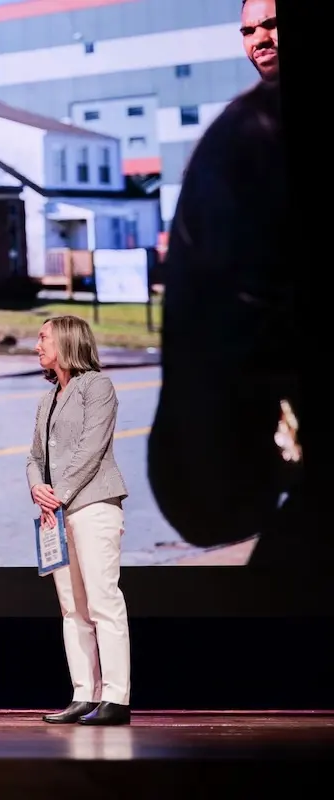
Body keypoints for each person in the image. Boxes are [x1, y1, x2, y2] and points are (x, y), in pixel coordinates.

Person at [148, 0, 312, 567]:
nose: (259, 40)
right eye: (248, 30)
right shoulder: (245, 137)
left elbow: (207, 495)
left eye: (271, 24)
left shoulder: (248, 140)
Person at [26, 317, 131, 727]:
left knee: (103, 601)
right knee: (73, 609)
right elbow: (34, 457)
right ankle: (84, 693)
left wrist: (59, 493)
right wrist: (38, 489)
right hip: (57, 513)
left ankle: (116, 697)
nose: (36, 345)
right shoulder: (48, 397)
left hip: (93, 505)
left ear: (66, 341)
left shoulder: (97, 387)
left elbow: (92, 447)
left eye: (43, 338)